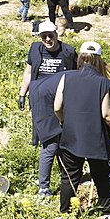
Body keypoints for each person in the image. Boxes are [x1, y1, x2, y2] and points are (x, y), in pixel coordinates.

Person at [54, 41, 110, 219]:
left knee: (69, 176)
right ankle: (106, 213)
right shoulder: (104, 83)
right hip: (96, 139)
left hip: (71, 136)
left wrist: (64, 122)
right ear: (99, 60)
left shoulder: (66, 78)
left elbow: (57, 106)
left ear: (80, 58)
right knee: (101, 175)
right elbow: (106, 115)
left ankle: (65, 213)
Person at [19, 20, 78, 197]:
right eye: (43, 36)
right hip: (41, 103)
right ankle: (44, 186)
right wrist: (23, 93)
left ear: (56, 35)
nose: (47, 40)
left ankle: (65, 178)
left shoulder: (68, 52)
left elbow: (75, 77)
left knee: (64, 142)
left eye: (50, 36)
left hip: (62, 103)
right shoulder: (35, 50)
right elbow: (28, 73)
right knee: (50, 143)